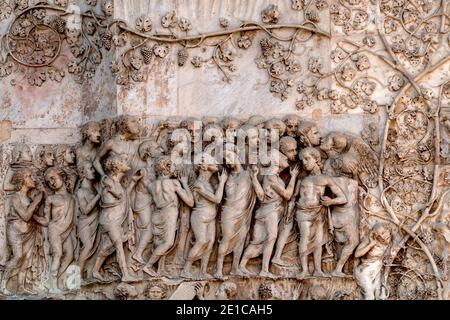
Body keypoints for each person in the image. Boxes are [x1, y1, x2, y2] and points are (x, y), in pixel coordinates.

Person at [239, 150, 299, 277]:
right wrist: (293, 177)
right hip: (270, 211)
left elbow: (264, 195)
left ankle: (243, 265)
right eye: (282, 156)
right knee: (270, 239)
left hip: (267, 211)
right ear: (276, 161)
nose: (286, 158)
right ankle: (264, 270)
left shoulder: (272, 176)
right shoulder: (271, 176)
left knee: (259, 241)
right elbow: (287, 195)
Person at [295, 147, 347, 278]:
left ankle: (318, 270)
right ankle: (304, 270)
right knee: (305, 237)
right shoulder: (302, 180)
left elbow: (343, 198)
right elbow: (292, 197)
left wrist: (331, 201)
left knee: (318, 241)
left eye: (307, 159)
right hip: (303, 212)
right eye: (302, 160)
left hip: (319, 212)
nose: (304, 163)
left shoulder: (325, 179)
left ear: (316, 159)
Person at [214, 144, 264, 278]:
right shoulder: (226, 176)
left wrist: (254, 177)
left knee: (241, 240)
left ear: (237, 155)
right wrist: (222, 182)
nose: (228, 161)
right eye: (225, 159)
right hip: (229, 212)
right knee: (226, 238)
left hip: (244, 214)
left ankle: (235, 268)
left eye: (230, 156)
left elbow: (261, 195)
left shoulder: (248, 174)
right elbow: (226, 196)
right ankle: (218, 269)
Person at [92, 155, 144, 283]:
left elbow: (124, 196)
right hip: (110, 219)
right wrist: (117, 195)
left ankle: (94, 271)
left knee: (107, 247)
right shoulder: (107, 180)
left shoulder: (116, 183)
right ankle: (125, 274)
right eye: (123, 161)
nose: (126, 163)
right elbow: (112, 198)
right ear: (116, 166)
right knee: (118, 244)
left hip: (115, 219)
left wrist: (133, 181)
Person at [142, 156, 194, 277]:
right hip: (169, 213)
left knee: (159, 242)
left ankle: (160, 269)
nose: (175, 168)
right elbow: (190, 202)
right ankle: (148, 266)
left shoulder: (151, 185)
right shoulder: (174, 183)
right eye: (173, 165)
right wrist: (185, 184)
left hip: (157, 214)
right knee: (168, 243)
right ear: (168, 167)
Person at [181, 154, 228, 279]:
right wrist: (222, 182)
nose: (215, 166)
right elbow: (217, 199)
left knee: (210, 242)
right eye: (211, 162)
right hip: (200, 216)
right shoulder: (199, 184)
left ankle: (203, 271)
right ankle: (185, 269)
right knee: (201, 241)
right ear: (204, 166)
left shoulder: (207, 183)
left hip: (210, 217)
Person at [0, 168, 43, 295]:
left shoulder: (29, 199)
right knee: (18, 256)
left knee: (26, 259)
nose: (33, 179)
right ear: (22, 180)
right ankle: (3, 284)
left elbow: (33, 217)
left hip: (30, 231)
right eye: (29, 176)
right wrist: (36, 201)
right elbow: (25, 216)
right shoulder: (15, 197)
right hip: (16, 231)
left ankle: (21, 285)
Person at [35, 167, 76, 292]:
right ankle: (52, 285)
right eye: (48, 182)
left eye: (53, 178)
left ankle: (58, 279)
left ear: (61, 176)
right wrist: (32, 215)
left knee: (70, 255)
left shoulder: (72, 196)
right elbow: (46, 221)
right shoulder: (51, 199)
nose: (51, 182)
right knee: (57, 254)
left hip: (67, 230)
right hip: (55, 230)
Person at [76, 161, 101, 280]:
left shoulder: (94, 189)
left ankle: (89, 273)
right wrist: (99, 195)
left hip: (96, 221)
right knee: (87, 246)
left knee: (94, 247)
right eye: (90, 169)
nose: (93, 171)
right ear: (82, 172)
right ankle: (76, 276)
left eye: (93, 168)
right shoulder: (81, 191)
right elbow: (85, 210)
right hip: (85, 222)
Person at [354, 223, 391, 300]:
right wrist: (371, 245)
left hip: (377, 273)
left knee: (378, 296)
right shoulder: (369, 240)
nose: (384, 235)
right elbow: (356, 254)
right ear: (376, 235)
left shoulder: (389, 241)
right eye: (381, 233)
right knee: (370, 297)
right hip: (365, 272)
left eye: (385, 231)